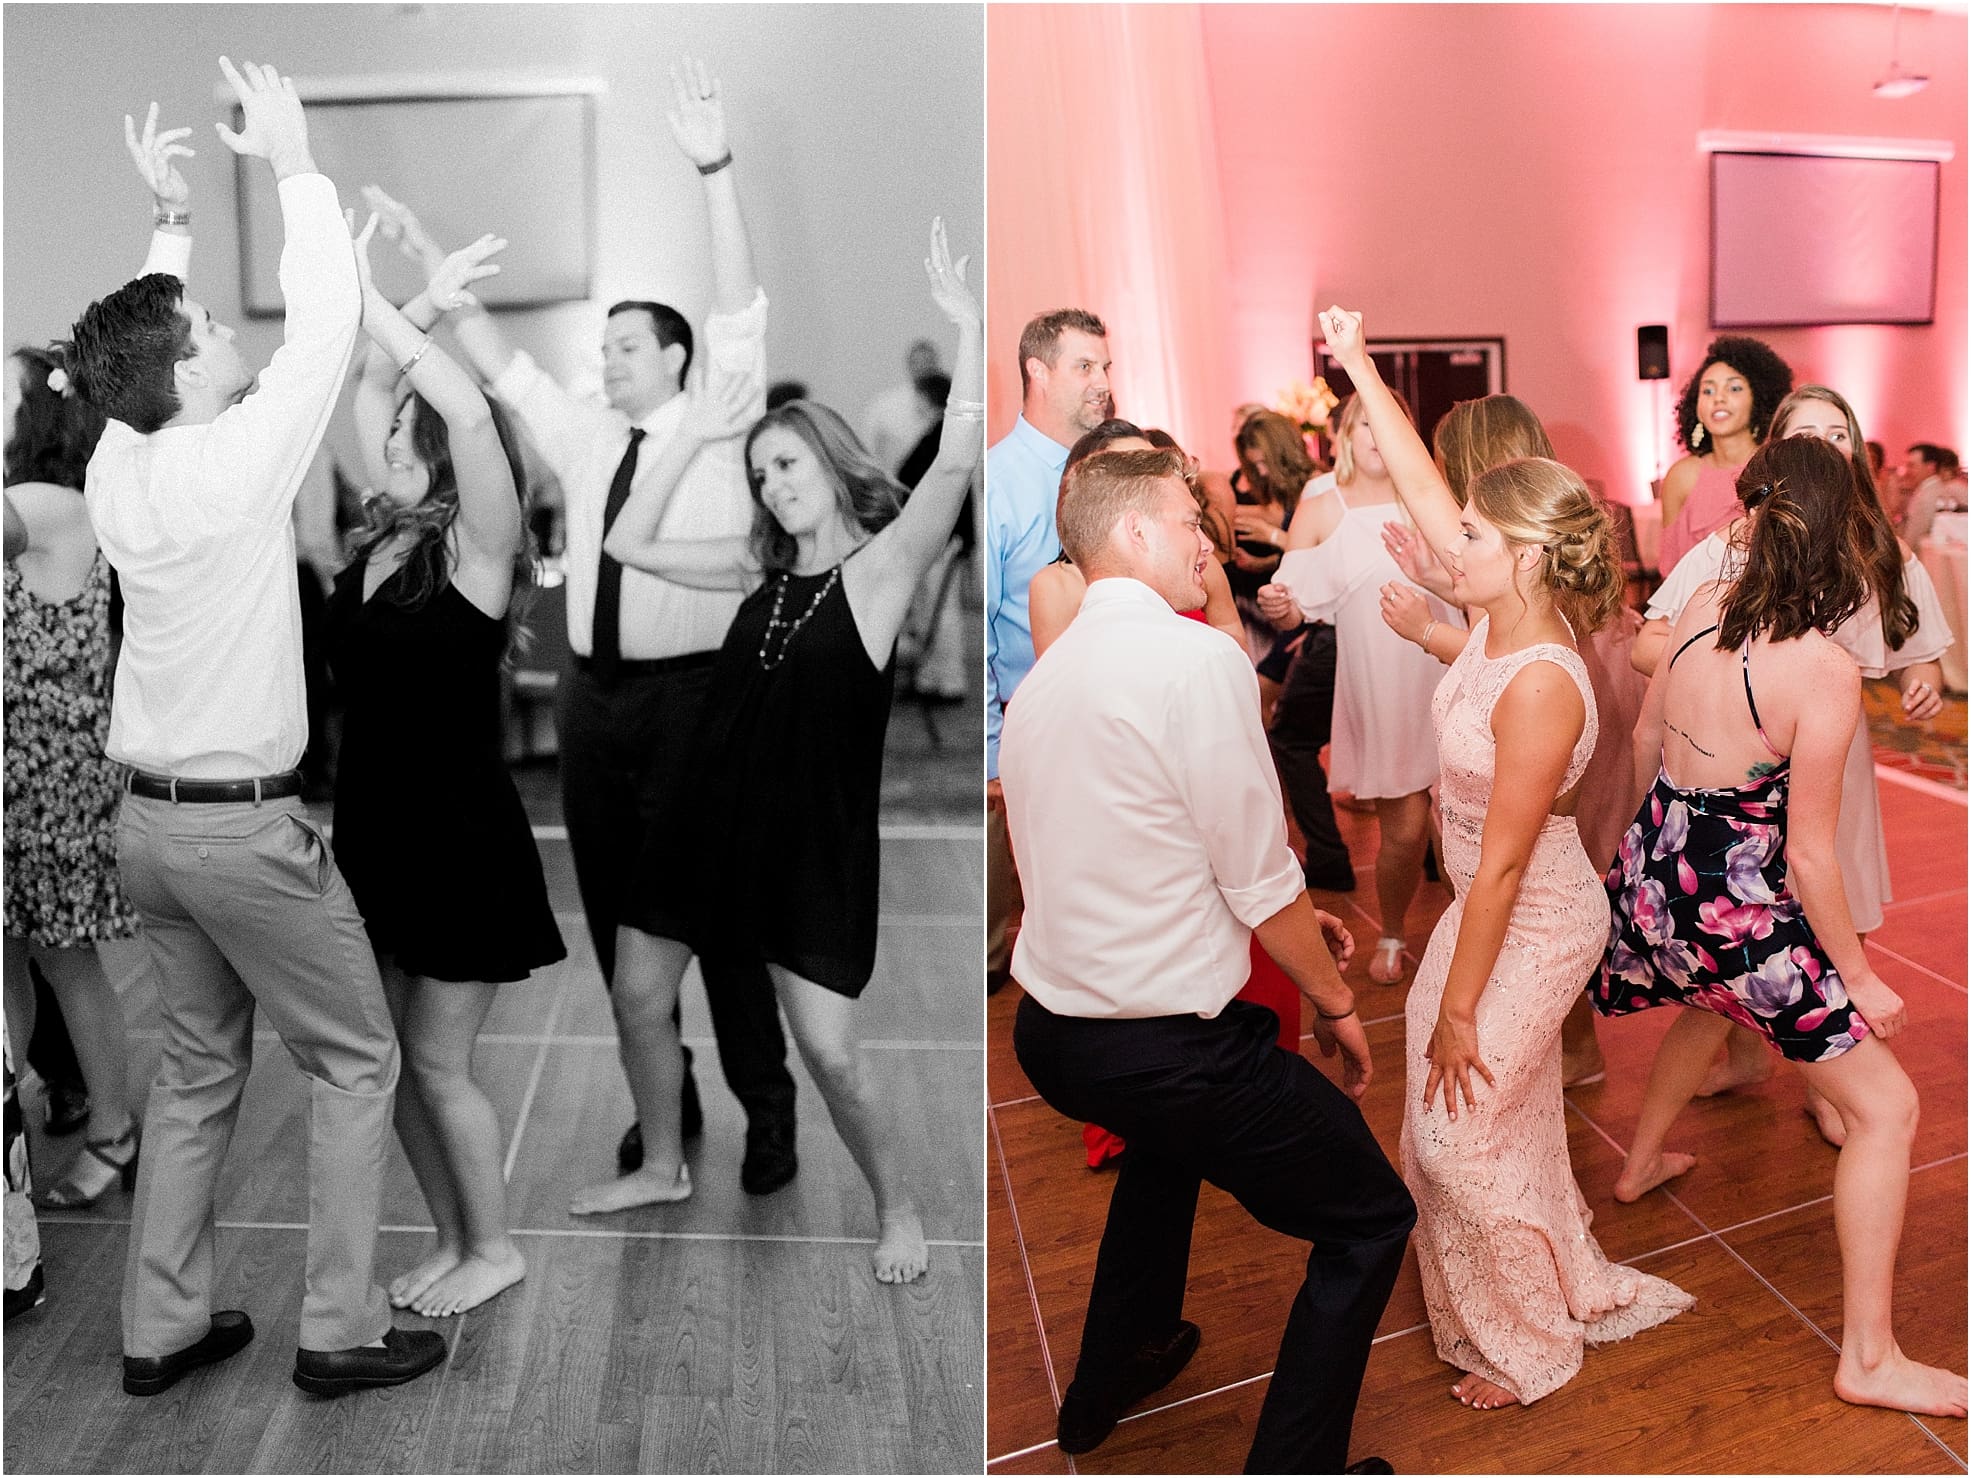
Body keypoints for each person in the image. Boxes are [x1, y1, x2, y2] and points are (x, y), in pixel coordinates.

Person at [62, 68, 443, 1396]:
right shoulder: (229, 463)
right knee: (355, 1055)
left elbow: (122, 361)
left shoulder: (116, 463)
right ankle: (336, 1329)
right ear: (180, 370)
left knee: (195, 1071)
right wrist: (289, 161)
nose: (230, 332)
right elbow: (330, 314)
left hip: (146, 832)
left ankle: (158, 1327)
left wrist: (167, 218)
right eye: (210, 324)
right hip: (237, 831)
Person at [367, 59, 799, 1195]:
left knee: (720, 917)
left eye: (624, 346)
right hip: (596, 700)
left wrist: (713, 167)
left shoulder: (721, 422)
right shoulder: (585, 436)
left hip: (701, 696)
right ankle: (671, 1097)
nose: (604, 359)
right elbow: (491, 358)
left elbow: (742, 310)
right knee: (617, 917)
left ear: (675, 359)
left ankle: (770, 1105)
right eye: (602, 347)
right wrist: (423, 253)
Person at [591, 219, 982, 1288]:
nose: (771, 481)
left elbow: (954, 460)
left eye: (786, 460)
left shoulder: (880, 571)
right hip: (701, 823)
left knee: (834, 1053)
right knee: (636, 989)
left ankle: (897, 1206)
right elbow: (624, 544)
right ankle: (664, 1161)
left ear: (829, 457)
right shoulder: (755, 571)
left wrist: (971, 328)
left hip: (806, 843)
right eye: (760, 469)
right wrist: (692, 439)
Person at [1004, 445, 1411, 1472]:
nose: (1212, 542)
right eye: (1192, 521)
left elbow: (1127, 847)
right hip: (1159, 1044)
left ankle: (1110, 1374)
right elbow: (1258, 872)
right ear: (1133, 533)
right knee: (1371, 1216)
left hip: (1055, 1034)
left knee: (1164, 1143)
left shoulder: (1045, 682)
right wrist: (1334, 1004)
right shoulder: (1195, 662)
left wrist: (1276, 925)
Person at [1323, 305, 1692, 1411]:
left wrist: (1460, 1006)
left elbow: (1495, 874)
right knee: (1494, 1117)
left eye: (1474, 537)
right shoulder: (1495, 619)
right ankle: (1547, 1279)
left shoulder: (1539, 677)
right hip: (1493, 906)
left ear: (1524, 555)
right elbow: (1428, 494)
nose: (1451, 546)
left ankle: (1531, 1344)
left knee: (1451, 1133)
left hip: (1528, 917)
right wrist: (1356, 362)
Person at [1592, 435, 1966, 1421]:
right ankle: (1872, 1355)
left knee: (1709, 1006)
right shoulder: (1824, 669)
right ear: (1842, 534)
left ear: (1751, 520)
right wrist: (1864, 978)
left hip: (1663, 892)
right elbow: (1807, 859)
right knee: (1887, 1110)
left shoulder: (1699, 612)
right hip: (1743, 923)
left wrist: (1625, 872)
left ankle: (1639, 1161)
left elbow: (1641, 742)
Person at [326, 219, 567, 1318]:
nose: (380, 432)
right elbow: (368, 384)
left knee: (436, 1058)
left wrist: (362, 288)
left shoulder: (478, 546)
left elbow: (468, 406)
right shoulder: (377, 538)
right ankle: (454, 1235)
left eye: (401, 427)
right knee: (389, 1063)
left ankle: (497, 1244)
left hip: (460, 835)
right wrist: (407, 304)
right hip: (372, 830)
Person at [1631, 385, 1951, 1142]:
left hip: (1836, 758)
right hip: (1747, 764)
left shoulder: (1885, 550)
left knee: (1833, 898)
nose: (1823, 446)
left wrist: (1919, 688)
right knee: (1755, 924)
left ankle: (1826, 1080)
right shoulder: (1729, 545)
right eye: (1805, 433)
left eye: (1837, 433)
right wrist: (1754, 674)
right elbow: (1651, 643)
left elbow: (1921, 658)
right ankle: (1759, 1056)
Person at [1378, 393, 1649, 1084]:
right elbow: (1483, 656)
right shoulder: (1512, 570)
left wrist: (1458, 1011)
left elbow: (1517, 680)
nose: (1450, 526)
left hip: (1551, 763)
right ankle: (1562, 1054)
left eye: (1464, 526)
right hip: (1542, 763)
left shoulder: (1526, 608)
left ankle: (1569, 1050)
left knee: (1552, 860)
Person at [4, 344, 142, 1211]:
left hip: (48, 769)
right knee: (23, 954)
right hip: (31, 763)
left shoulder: (43, 505)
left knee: (64, 959)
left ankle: (115, 1133)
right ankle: (24, 1106)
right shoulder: (60, 504)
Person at [1257, 393, 1459, 984]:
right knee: (1402, 829)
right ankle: (1394, 931)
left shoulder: (1429, 492)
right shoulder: (1322, 500)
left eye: (1388, 422)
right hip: (1381, 683)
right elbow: (1292, 607)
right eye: (1366, 421)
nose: (1377, 434)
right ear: (1346, 432)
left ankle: (1468, 934)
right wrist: (1278, 604)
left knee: (1461, 821)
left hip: (1447, 667)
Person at [986, 308, 1113, 994]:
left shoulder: (1114, 467)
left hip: (1119, 712)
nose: (1101, 382)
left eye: (1104, 367)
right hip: (1034, 722)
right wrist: (990, 750)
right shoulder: (999, 481)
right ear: (1036, 371)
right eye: (1083, 367)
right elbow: (977, 623)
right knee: (1052, 898)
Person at [1655, 336, 1792, 575]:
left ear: (1759, 399)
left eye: (1734, 388)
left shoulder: (1777, 468)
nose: (1718, 398)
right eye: (1707, 390)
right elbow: (1671, 573)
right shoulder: (1682, 476)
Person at [858, 337, 942, 475]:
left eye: (929, 363)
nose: (924, 368)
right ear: (909, 365)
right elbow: (868, 447)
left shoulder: (950, 405)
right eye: (919, 363)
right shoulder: (885, 404)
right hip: (897, 481)